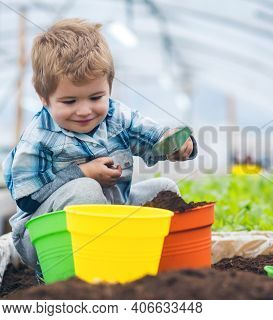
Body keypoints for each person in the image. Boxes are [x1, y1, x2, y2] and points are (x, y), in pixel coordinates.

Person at [2, 19, 197, 271]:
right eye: (69, 101)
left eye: (96, 97)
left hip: (111, 218)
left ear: (109, 88)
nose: (84, 110)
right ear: (44, 98)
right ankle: (71, 273)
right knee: (85, 190)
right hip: (46, 237)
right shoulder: (39, 137)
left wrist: (178, 145)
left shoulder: (117, 117)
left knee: (165, 189)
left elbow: (154, 140)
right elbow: (27, 197)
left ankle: (156, 265)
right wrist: (82, 173)